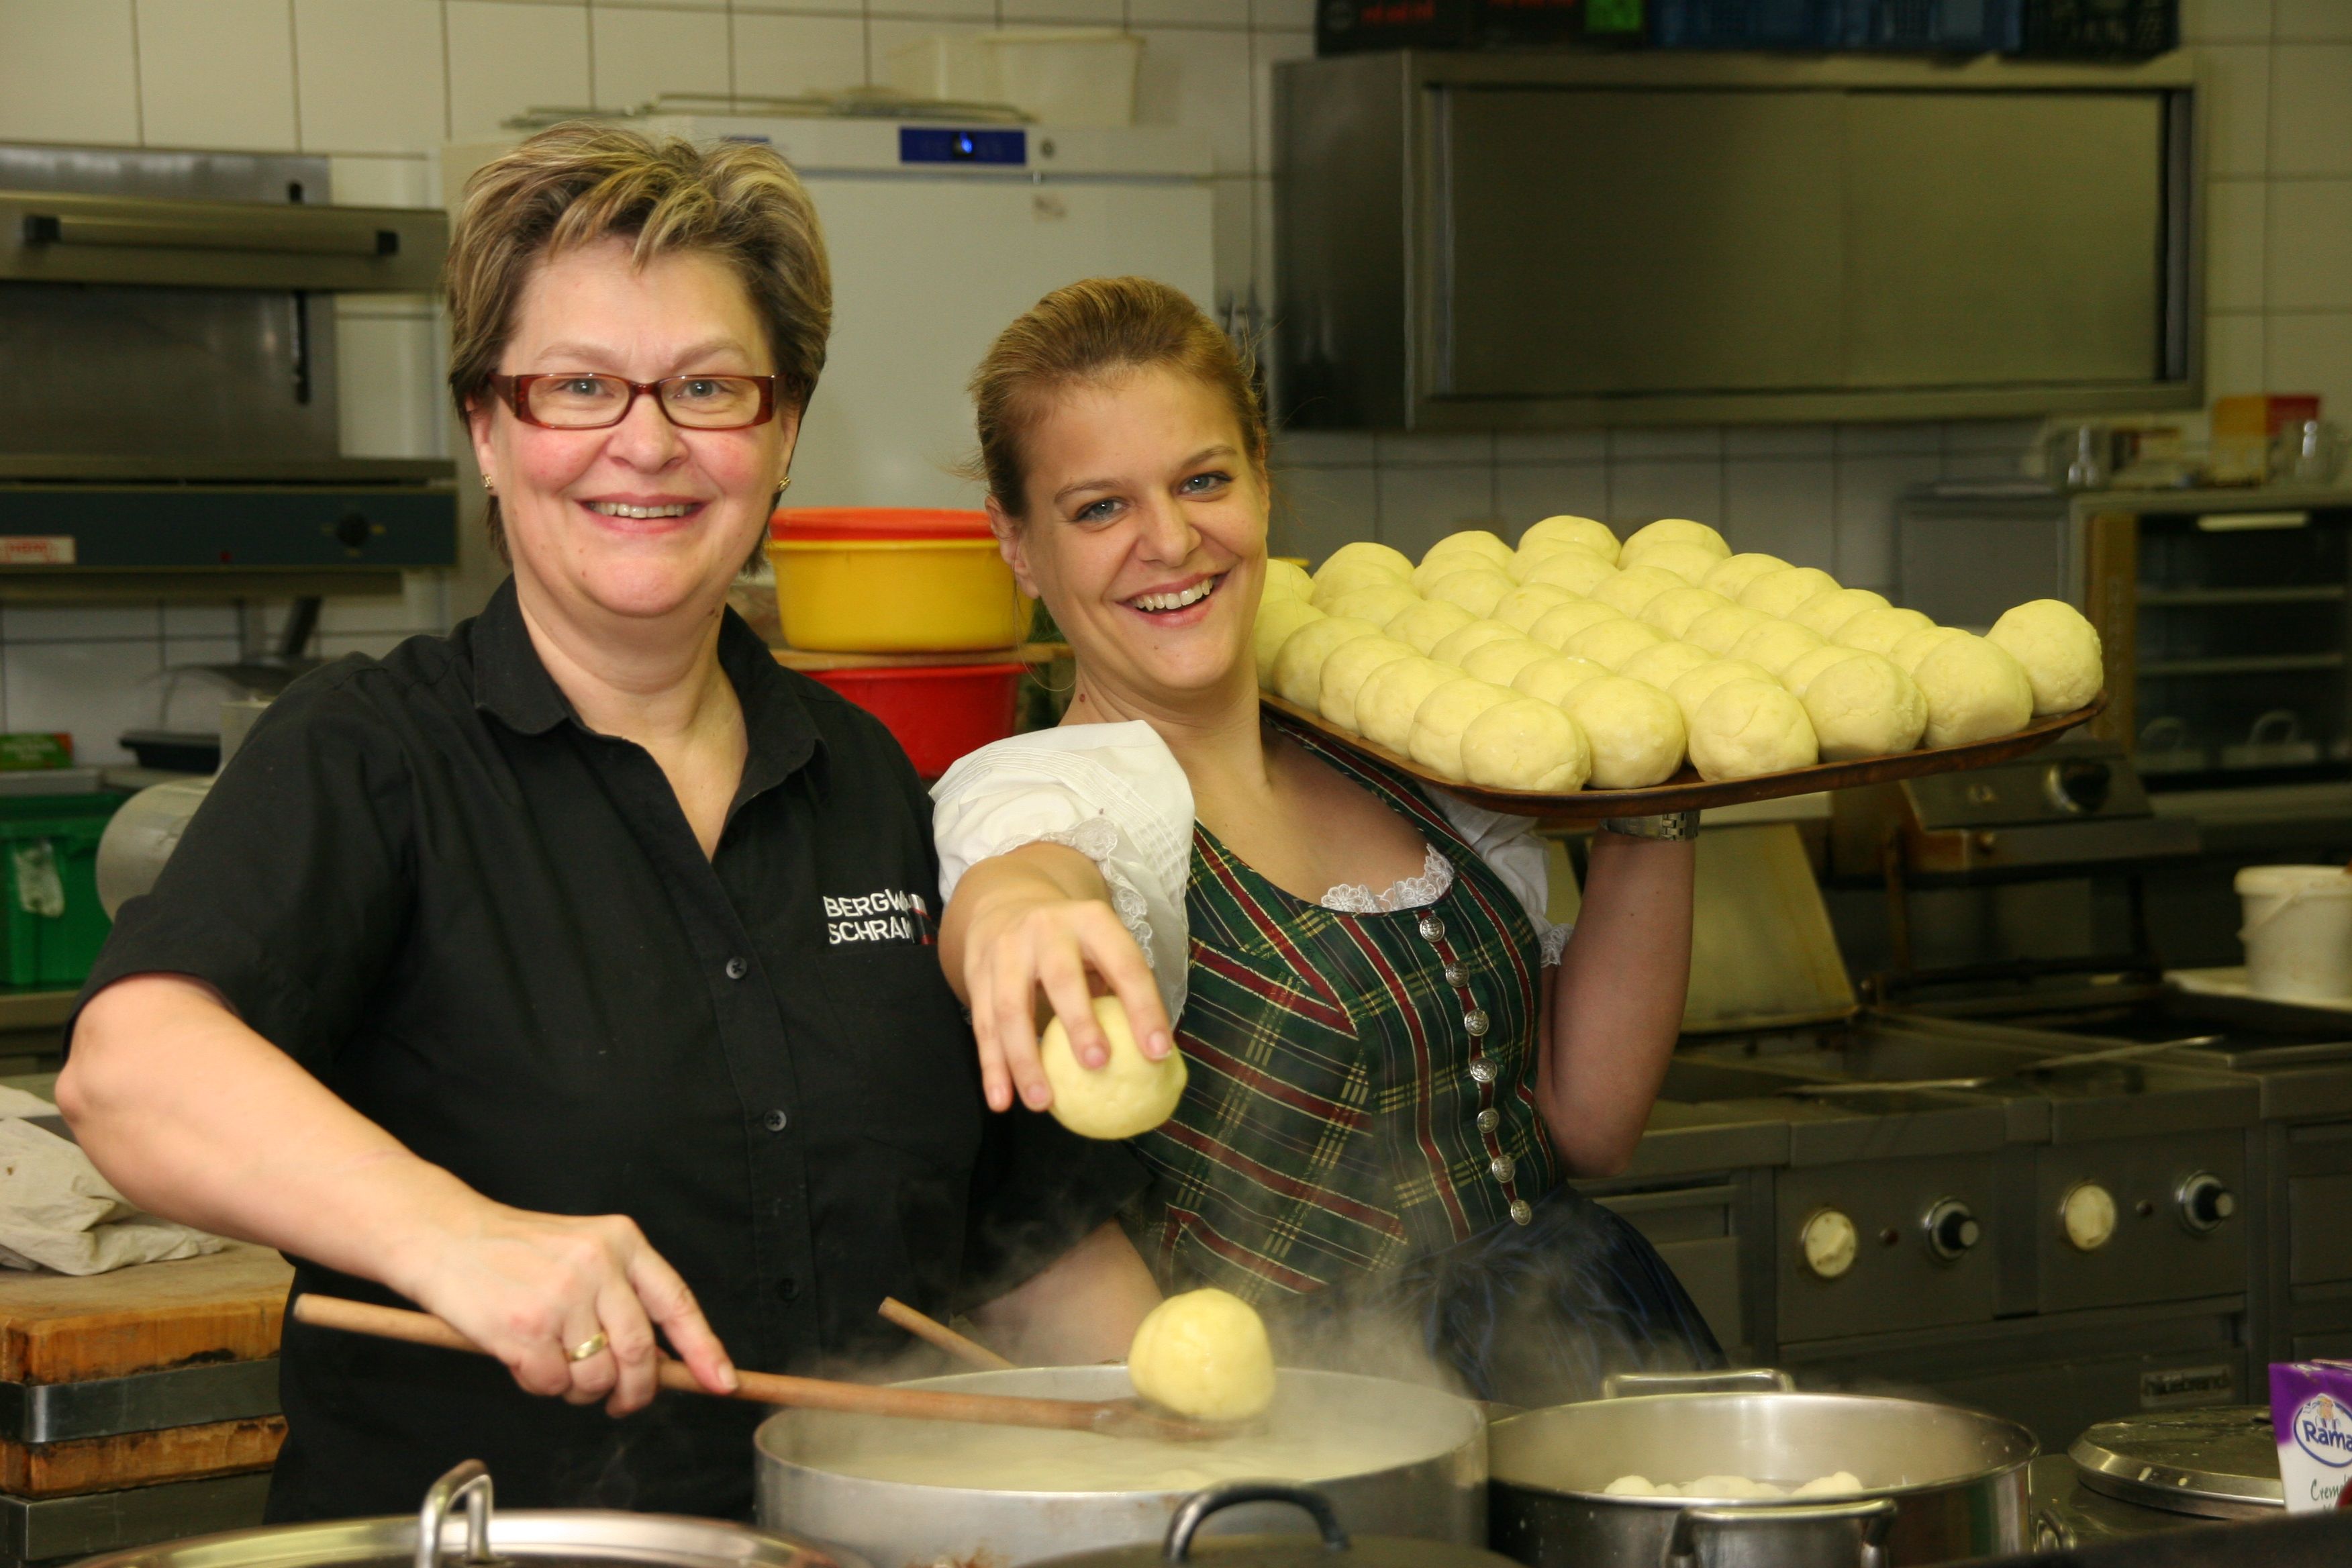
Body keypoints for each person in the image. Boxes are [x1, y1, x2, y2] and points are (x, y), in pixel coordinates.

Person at [56, 127, 1149, 1522]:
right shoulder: (372, 754)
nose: (647, 439)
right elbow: (129, 1071)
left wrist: (1203, 1444)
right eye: (578, 385)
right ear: (488, 430)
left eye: (708, 386)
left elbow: (1024, 1249)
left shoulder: (870, 785)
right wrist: (466, 1242)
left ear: (782, 430)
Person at [930, 277, 1722, 1404]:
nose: (1169, 541)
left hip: (1586, 1335)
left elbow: (1588, 1124)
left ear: (1262, 478)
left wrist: (1669, 784)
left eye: (1204, 480)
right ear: (1016, 544)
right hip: (1322, 1414)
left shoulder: (1404, 756)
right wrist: (1017, 912)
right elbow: (1020, 877)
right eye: (1098, 509)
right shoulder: (1053, 797)